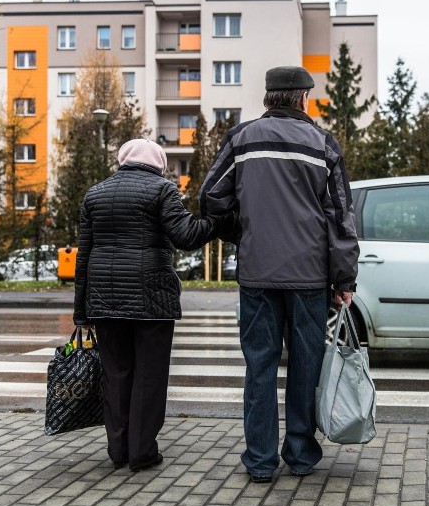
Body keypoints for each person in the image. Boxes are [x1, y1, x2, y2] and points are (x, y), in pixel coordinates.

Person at [200, 66, 359, 483]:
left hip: (257, 275)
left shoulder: (241, 139)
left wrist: (244, 232)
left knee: (260, 367)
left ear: (270, 97)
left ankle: (260, 460)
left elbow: (210, 198)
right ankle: (302, 455)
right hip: (309, 278)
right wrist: (344, 280)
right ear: (302, 98)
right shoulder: (323, 144)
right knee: (306, 366)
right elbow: (341, 218)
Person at [73, 138, 228, 472]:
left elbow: (83, 256)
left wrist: (81, 312)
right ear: (158, 163)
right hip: (151, 299)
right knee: (149, 376)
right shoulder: (162, 190)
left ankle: (118, 450)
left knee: (115, 375)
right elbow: (186, 236)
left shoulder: (94, 194)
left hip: (104, 300)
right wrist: (217, 221)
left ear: (124, 160)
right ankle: (142, 452)